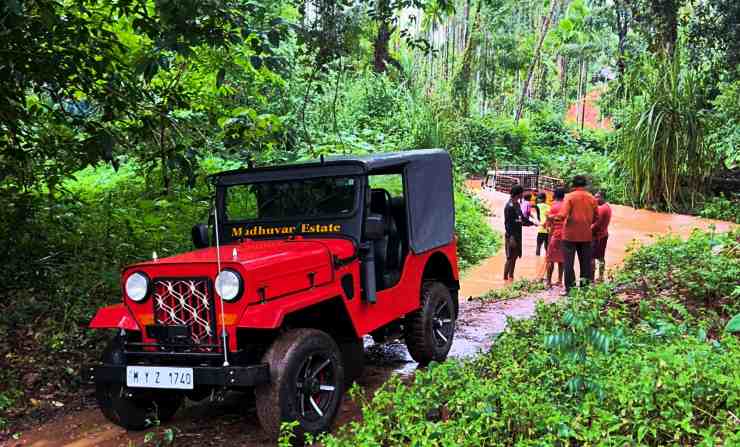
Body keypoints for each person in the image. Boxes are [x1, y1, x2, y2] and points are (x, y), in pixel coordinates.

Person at [555, 176, 598, 294]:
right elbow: (596, 217)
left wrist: (553, 217)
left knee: (568, 263)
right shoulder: (592, 198)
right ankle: (585, 289)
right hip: (586, 235)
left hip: (569, 236)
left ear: (573, 185)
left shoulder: (569, 197)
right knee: (585, 264)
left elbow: (562, 215)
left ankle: (570, 289)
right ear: (585, 185)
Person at [544, 187, 566, 287]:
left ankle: (548, 282)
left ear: (555, 195)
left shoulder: (553, 206)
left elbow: (549, 224)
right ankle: (560, 280)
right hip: (566, 235)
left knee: (550, 258)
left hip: (556, 234)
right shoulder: (566, 205)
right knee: (562, 258)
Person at [504, 185, 526, 281]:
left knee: (515, 256)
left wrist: (532, 223)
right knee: (510, 257)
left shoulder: (517, 204)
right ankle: (504, 278)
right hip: (511, 235)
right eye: (522, 193)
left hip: (518, 234)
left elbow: (521, 218)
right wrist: (511, 237)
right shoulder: (509, 206)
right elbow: (508, 223)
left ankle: (511, 277)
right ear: (519, 194)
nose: (523, 194)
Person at [590, 191, 612, 282]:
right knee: (601, 257)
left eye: (597, 197)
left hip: (597, 237)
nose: (595, 199)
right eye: (595, 197)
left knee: (591, 257)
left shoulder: (601, 209)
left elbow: (596, 225)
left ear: (602, 197)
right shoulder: (607, 207)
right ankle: (601, 276)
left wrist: (586, 230)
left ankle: (591, 279)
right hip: (604, 235)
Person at [534, 192, 550, 256]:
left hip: (541, 229)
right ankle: (548, 261)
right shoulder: (549, 206)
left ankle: (537, 259)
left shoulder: (537, 205)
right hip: (548, 229)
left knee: (538, 246)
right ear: (545, 199)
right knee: (547, 247)